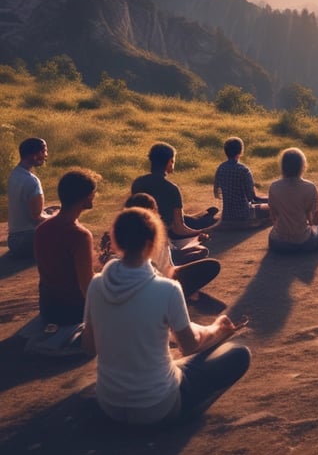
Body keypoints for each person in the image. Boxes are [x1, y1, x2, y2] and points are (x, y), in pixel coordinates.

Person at [83, 207, 250, 425]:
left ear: (115, 242)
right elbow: (189, 347)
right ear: (153, 243)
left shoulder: (96, 285)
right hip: (158, 405)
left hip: (110, 404)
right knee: (239, 353)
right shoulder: (167, 289)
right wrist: (217, 329)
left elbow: (89, 348)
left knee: (174, 363)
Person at [99, 193, 221, 301]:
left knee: (200, 253)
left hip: (133, 284)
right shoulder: (154, 234)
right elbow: (167, 269)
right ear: (152, 212)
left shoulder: (117, 234)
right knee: (210, 265)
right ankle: (184, 292)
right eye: (156, 211)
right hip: (156, 285)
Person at [33, 168, 100, 325]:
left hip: (48, 308)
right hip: (72, 311)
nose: (94, 196)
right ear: (86, 197)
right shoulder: (80, 235)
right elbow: (87, 288)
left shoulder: (42, 228)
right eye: (93, 193)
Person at [132, 142, 218, 244]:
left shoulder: (138, 183)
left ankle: (204, 215)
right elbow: (179, 228)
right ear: (170, 162)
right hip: (167, 233)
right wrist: (199, 233)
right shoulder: (171, 188)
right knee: (205, 222)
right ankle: (207, 217)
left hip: (143, 231)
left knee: (192, 219)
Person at [268, 148, 318, 252]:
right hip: (304, 242)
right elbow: (315, 218)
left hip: (277, 243)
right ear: (302, 166)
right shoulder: (310, 187)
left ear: (283, 167)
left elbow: (273, 216)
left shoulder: (273, 187)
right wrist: (312, 226)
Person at [7, 137, 51, 259]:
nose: (46, 155)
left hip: (14, 240)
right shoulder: (32, 181)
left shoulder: (14, 174)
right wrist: (55, 217)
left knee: (52, 210)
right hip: (28, 241)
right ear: (34, 156)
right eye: (44, 151)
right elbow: (36, 216)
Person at [213, 137, 270, 226]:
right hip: (244, 213)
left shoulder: (220, 168)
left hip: (227, 214)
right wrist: (271, 200)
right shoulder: (244, 170)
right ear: (241, 151)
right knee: (271, 208)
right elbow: (252, 197)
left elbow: (217, 192)